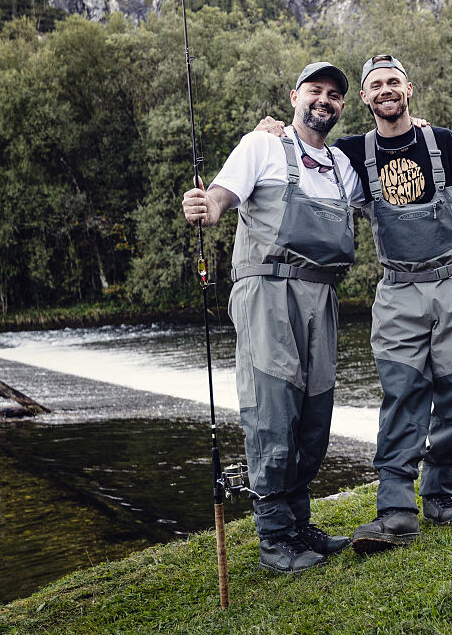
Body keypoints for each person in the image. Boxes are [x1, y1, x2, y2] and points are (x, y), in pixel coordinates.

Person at [258, 53, 452, 554]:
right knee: (402, 392)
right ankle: (396, 509)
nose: (385, 90)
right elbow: (305, 145)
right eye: (375, 84)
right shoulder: (351, 152)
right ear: (364, 97)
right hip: (398, 289)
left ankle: (438, 492)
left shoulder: (442, 141)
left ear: (408, 89)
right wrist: (270, 132)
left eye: (393, 81)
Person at [181, 61, 361, 573]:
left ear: (341, 106)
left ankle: (299, 522)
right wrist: (207, 206)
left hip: (322, 295)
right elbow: (221, 197)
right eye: (314, 90)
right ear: (294, 97)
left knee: (315, 413)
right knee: (273, 408)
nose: (324, 100)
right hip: (267, 289)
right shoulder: (260, 145)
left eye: (333, 94)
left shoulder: (342, 166)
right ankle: (275, 536)